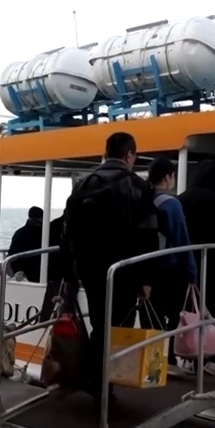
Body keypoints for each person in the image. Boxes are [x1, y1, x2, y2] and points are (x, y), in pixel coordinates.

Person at [61, 132, 159, 407]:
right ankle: (103, 384)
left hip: (89, 270)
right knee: (119, 326)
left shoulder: (83, 185)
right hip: (124, 271)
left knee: (100, 322)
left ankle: (96, 380)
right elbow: (148, 235)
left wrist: (70, 273)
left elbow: (66, 231)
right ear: (129, 155)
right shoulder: (137, 186)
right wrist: (146, 278)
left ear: (105, 154)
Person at [177, 159, 215, 375]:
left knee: (187, 311)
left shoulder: (182, 198)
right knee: (211, 311)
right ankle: (209, 358)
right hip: (212, 265)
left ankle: (185, 356)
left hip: (185, 264)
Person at [146, 157, 198, 368]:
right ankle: (168, 363)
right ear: (167, 177)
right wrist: (192, 272)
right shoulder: (171, 204)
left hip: (146, 270)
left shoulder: (142, 199)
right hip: (170, 271)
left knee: (152, 320)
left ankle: (152, 365)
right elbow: (181, 239)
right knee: (172, 319)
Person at [7, 206, 45, 282]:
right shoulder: (21, 234)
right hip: (28, 273)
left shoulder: (19, 233)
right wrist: (18, 271)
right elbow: (13, 254)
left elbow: (12, 253)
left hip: (37, 271)